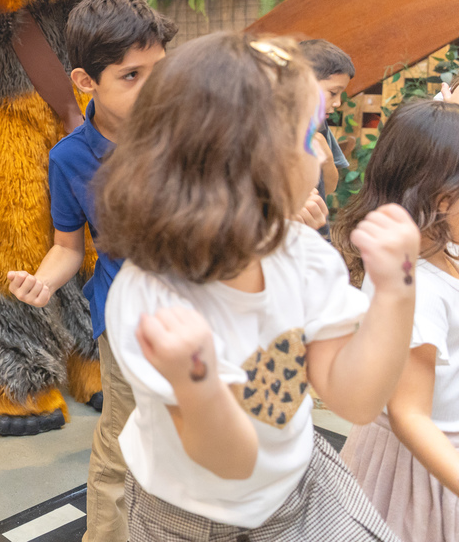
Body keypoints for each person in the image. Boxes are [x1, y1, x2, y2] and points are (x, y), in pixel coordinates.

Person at [96, 32, 413, 541]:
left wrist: (396, 291)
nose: (321, 152)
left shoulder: (303, 256)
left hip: (298, 489)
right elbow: (232, 461)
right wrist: (195, 382)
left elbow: (355, 401)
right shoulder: (151, 300)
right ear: (245, 164)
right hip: (186, 517)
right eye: (307, 135)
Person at [7, 0, 175, 542]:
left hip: (202, 308)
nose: (153, 87)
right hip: (125, 318)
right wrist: (43, 281)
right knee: (123, 443)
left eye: (160, 70)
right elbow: (69, 247)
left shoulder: (186, 132)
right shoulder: (70, 157)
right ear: (85, 81)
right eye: (131, 76)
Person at [333, 98, 459, 540]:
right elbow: (409, 415)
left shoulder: (439, 254)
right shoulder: (415, 285)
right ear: (440, 199)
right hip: (426, 471)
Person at [296, 39, 354, 235]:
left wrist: (327, 157)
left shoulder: (320, 126)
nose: (338, 103)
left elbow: (329, 188)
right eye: (333, 93)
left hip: (315, 231)